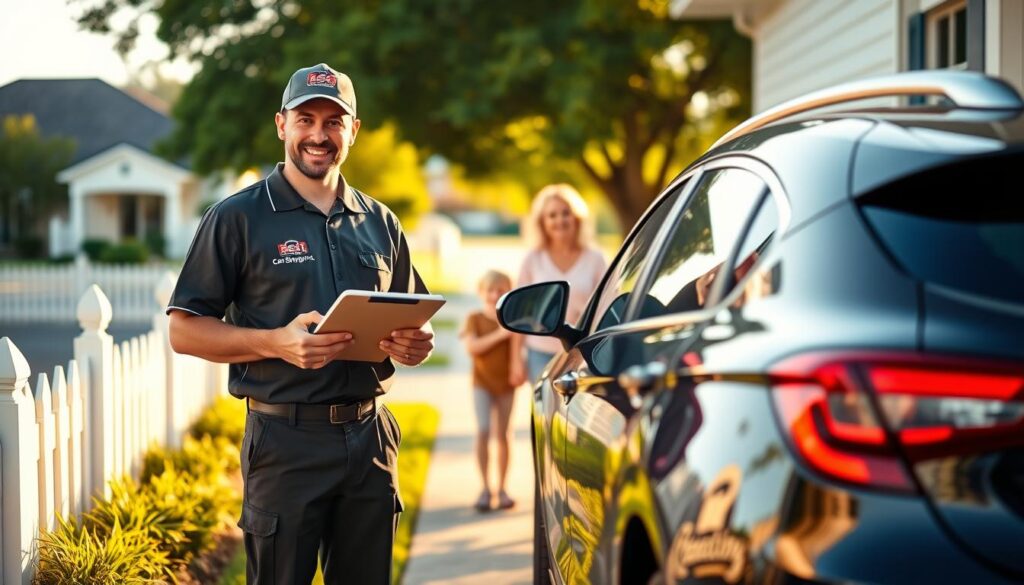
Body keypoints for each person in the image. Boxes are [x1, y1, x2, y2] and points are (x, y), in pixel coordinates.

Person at [165, 63, 433, 585]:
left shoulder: (380, 222)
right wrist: (276, 344)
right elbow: (184, 329)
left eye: (333, 122)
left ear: (353, 131)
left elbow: (414, 319)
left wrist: (414, 344)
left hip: (370, 437)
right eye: (305, 118)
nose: (318, 134)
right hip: (284, 440)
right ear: (281, 124)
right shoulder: (238, 217)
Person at [510, 184, 607, 385]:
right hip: (540, 352)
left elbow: (607, 305)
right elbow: (520, 312)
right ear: (542, 222)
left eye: (565, 213)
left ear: (577, 218)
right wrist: (516, 359)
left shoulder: (595, 259)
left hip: (584, 351)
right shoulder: (533, 259)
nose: (559, 220)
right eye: (552, 215)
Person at [459, 269, 517, 512]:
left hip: (506, 385)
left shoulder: (511, 318)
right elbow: (472, 348)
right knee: (483, 430)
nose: (495, 294)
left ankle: (502, 488)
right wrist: (499, 335)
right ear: (481, 292)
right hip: (481, 384)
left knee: (503, 435)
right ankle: (485, 488)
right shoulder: (474, 318)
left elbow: (516, 349)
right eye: (490, 290)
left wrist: (517, 368)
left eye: (501, 290)